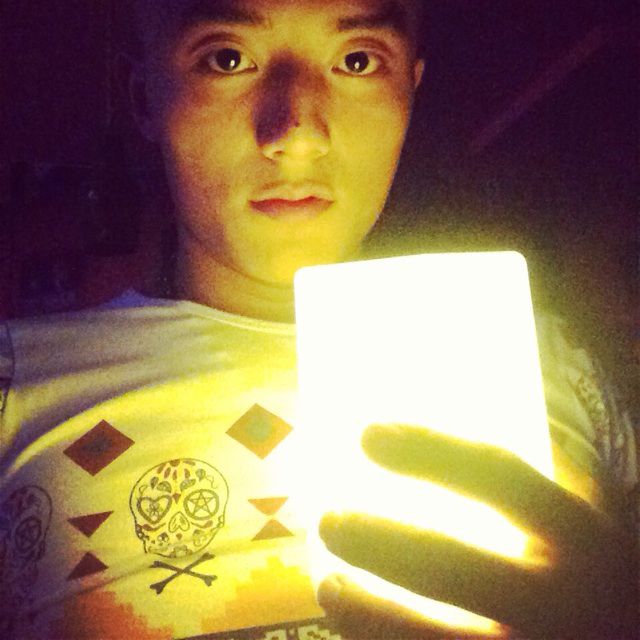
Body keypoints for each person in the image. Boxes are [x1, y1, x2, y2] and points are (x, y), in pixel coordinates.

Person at [0, 1, 636, 638]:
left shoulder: (545, 369)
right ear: (145, 97)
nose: (297, 133)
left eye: (357, 61)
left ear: (409, 90)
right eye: (227, 59)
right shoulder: (20, 385)